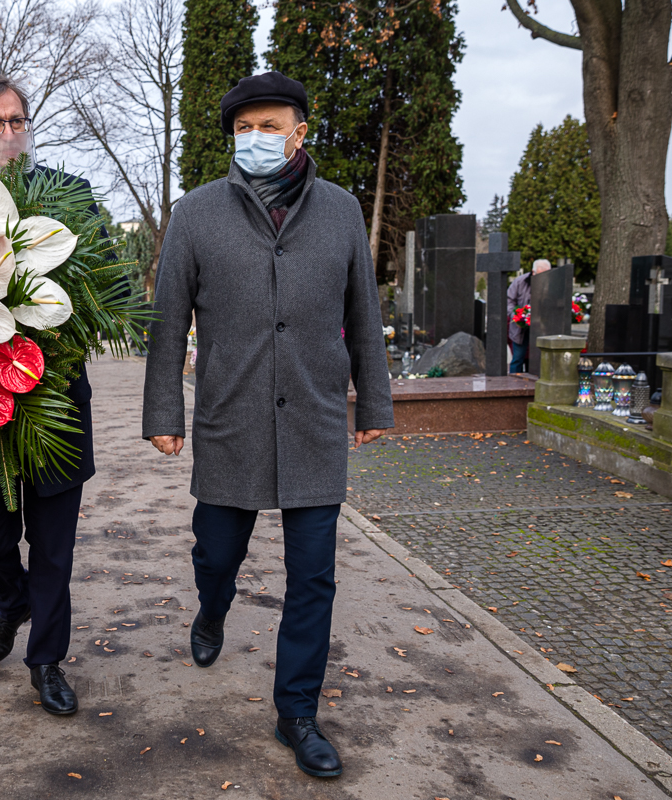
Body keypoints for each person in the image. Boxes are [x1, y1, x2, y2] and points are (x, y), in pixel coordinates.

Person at [142, 71, 394, 779]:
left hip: (315, 420)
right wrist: (164, 413)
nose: (255, 137)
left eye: (270, 126)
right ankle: (212, 607)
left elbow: (364, 313)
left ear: (299, 133)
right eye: (244, 128)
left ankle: (297, 714)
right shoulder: (196, 213)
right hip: (231, 418)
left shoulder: (341, 211)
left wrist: (374, 402)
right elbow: (169, 322)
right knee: (216, 553)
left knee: (313, 578)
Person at [0, 74, 98, 716]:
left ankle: (46, 662)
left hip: (54, 403)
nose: (8, 133)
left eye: (17, 121)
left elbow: (100, 292)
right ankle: (12, 606)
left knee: (54, 550)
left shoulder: (71, 196)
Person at [507, 258, 552, 374]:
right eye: (540, 275)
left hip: (542, 326)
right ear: (533, 272)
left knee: (539, 359)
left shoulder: (552, 283)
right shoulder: (520, 282)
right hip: (520, 327)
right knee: (518, 358)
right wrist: (516, 316)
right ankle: (514, 382)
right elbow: (509, 300)